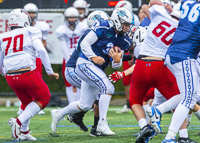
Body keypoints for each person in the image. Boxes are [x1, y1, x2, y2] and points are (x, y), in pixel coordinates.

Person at [51, 7, 134, 135]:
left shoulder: (123, 38)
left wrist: (117, 60)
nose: (127, 27)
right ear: (117, 21)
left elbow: (115, 66)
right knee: (108, 88)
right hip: (84, 63)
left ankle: (59, 114)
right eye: (126, 24)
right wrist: (93, 56)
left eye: (128, 24)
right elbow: (84, 44)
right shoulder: (103, 26)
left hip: (94, 69)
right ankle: (102, 123)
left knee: (85, 104)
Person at [0, 9, 58, 141]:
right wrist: (49, 71)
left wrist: (8, 76)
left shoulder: (2, 36)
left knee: (26, 102)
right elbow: (42, 51)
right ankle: (18, 122)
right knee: (44, 98)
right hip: (26, 72)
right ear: (26, 20)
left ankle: (24, 132)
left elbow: (0, 65)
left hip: (10, 76)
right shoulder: (31, 30)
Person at [147, 0, 200, 142]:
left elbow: (174, 21)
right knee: (189, 99)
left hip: (173, 52)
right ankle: (170, 137)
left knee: (189, 95)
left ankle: (158, 110)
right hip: (185, 55)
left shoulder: (187, 3)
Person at [64, 10, 109, 136]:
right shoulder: (90, 34)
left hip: (84, 69)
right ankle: (94, 126)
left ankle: (82, 119)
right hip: (75, 69)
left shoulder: (97, 34)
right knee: (96, 95)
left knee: (96, 95)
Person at [56, 7, 88, 104]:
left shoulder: (83, 27)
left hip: (81, 55)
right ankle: (71, 103)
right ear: (66, 18)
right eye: (70, 17)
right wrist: (68, 60)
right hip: (68, 56)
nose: (72, 20)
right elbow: (63, 47)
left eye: (74, 17)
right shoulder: (61, 30)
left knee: (81, 81)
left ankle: (80, 103)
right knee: (68, 82)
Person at [23, 3, 50, 115]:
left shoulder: (42, 26)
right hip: (25, 56)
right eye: (29, 13)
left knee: (37, 79)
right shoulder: (21, 27)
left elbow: (43, 43)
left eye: (33, 13)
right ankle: (26, 104)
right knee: (25, 81)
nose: (31, 15)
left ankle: (36, 103)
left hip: (37, 56)